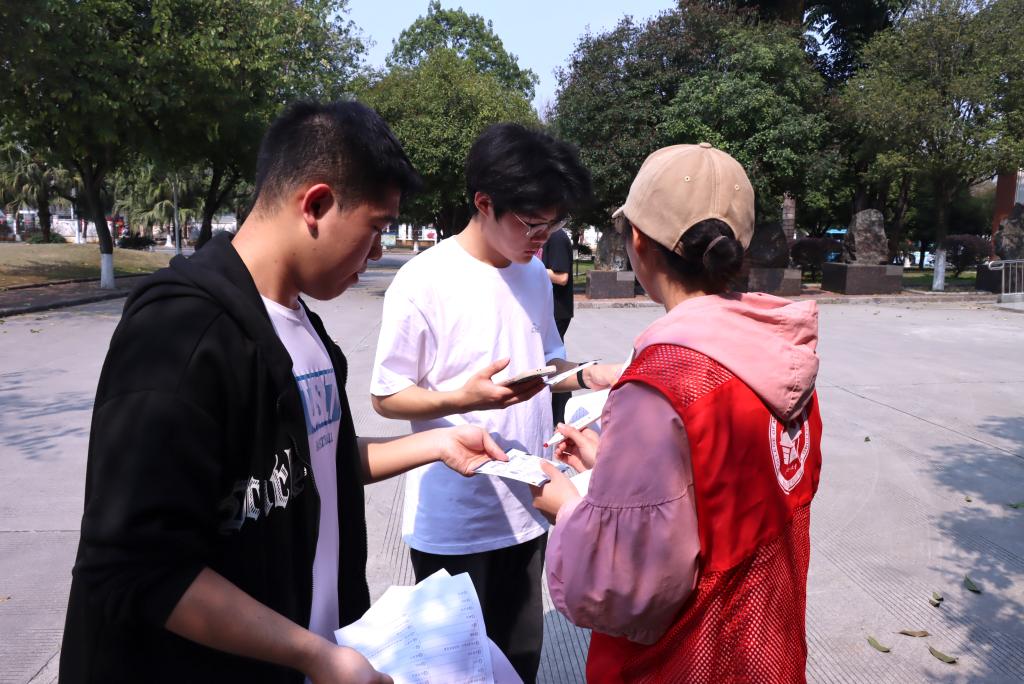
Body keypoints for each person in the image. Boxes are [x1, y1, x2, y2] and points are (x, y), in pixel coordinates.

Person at [59, 101, 511, 684]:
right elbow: (137, 564)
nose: (378, 253)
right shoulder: (181, 335)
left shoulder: (303, 328)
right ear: (316, 205)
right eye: (376, 228)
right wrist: (315, 656)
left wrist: (437, 445)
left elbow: (313, 464)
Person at [532, 143, 823, 683]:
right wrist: (615, 469)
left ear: (638, 241)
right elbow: (726, 492)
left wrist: (569, 507)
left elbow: (627, 586)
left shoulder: (660, 384)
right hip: (768, 649)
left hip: (688, 660)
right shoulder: (782, 358)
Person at [369, 123, 620, 683]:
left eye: (554, 224)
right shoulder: (422, 280)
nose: (542, 239)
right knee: (457, 671)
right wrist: (464, 397)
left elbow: (548, 364)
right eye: (532, 224)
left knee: (520, 662)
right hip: (454, 518)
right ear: (484, 203)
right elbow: (386, 395)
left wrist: (590, 374)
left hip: (529, 506)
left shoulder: (533, 275)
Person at [541, 226, 575, 425]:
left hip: (557, 311)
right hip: (549, 309)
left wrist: (531, 268)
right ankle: (560, 413)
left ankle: (561, 415)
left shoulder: (557, 238)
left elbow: (562, 277)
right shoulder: (548, 236)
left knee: (552, 360)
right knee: (551, 361)